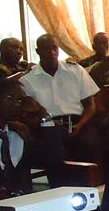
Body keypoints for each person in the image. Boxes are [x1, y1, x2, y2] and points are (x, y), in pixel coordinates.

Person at [20, 34, 101, 163]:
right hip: (48, 125)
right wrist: (45, 124)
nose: (52, 52)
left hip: (79, 122)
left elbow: (90, 106)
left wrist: (79, 125)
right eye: (46, 49)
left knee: (88, 142)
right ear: (38, 51)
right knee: (54, 147)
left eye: (55, 48)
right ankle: (61, 182)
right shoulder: (28, 80)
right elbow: (26, 115)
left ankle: (84, 181)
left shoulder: (75, 70)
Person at [0, 78, 38, 195]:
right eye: (9, 98)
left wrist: (42, 114)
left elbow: (52, 158)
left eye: (20, 101)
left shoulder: (19, 133)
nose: (16, 105)